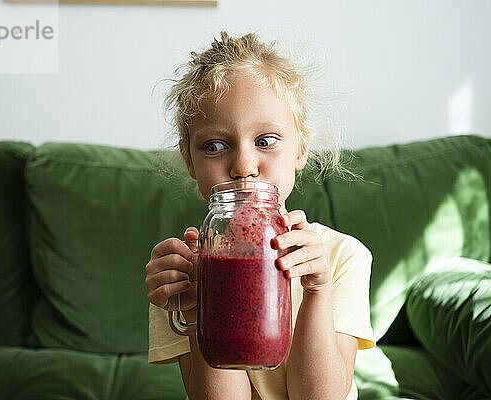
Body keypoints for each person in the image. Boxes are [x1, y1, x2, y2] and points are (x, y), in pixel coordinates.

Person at [145, 31, 375, 400]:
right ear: (189, 161)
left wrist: (317, 292)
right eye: (215, 146)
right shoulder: (184, 274)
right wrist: (196, 308)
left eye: (265, 141)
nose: (244, 166)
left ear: (300, 148)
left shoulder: (343, 257)